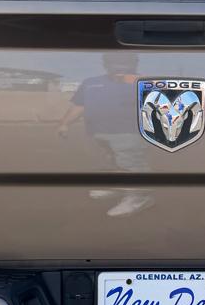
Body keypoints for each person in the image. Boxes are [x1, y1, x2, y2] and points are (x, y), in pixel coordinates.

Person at [58, 54, 153, 217]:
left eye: (125, 62)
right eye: (115, 62)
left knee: (131, 164)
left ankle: (139, 197)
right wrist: (64, 124)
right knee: (111, 162)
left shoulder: (146, 83)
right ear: (106, 64)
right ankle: (116, 186)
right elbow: (79, 105)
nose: (119, 66)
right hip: (98, 133)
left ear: (134, 63)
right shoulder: (90, 83)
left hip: (130, 133)